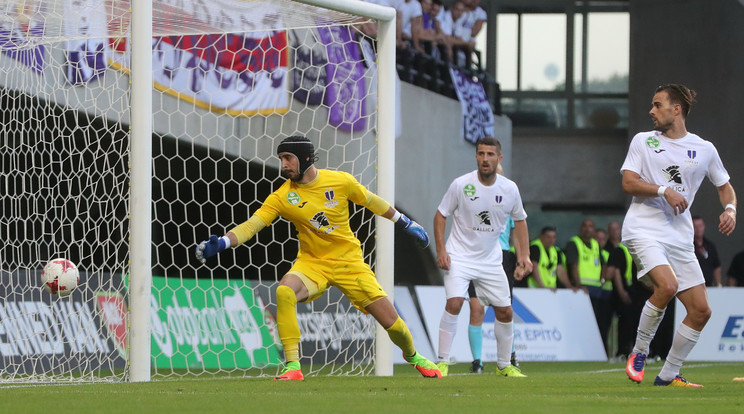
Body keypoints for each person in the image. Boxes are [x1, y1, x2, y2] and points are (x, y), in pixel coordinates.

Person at [195, 136, 442, 380]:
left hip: (349, 263)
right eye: (281, 159)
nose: (283, 165)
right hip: (312, 263)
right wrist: (223, 242)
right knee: (284, 291)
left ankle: (414, 357)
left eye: (288, 158)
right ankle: (293, 366)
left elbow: (370, 201)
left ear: (305, 158)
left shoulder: (340, 181)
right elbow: (252, 225)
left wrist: (404, 221)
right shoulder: (282, 197)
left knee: (392, 323)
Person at [622, 84, 736, 387]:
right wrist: (663, 189)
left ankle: (669, 374)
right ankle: (639, 352)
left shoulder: (704, 148)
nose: (651, 111)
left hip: (679, 237)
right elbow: (629, 183)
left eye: (658, 105)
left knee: (701, 310)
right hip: (643, 229)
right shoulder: (643, 141)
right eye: (652, 104)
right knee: (668, 285)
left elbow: (724, 185)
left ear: (677, 109)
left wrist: (730, 209)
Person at [433, 136, 532, 378]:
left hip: (490, 259)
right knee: (455, 303)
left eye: (490, 155)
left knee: (506, 312)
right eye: (480, 154)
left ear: (499, 159)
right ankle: (442, 362)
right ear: (476, 156)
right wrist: (441, 250)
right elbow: (440, 214)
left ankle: (503, 365)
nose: (484, 159)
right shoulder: (460, 184)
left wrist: (524, 256)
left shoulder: (509, 189)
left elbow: (520, 221)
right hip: (460, 256)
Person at [565, 219, 612, 355]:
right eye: (585, 226)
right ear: (581, 228)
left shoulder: (595, 244)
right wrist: (579, 285)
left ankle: (593, 352)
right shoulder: (574, 243)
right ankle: (578, 351)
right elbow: (573, 265)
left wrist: (602, 280)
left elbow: (603, 263)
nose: (588, 229)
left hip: (597, 290)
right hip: (583, 290)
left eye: (591, 226)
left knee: (597, 323)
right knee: (581, 323)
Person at [527, 226, 574, 290]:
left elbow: (560, 271)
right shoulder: (535, 248)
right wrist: (542, 286)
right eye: (548, 237)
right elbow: (534, 267)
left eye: (554, 237)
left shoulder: (556, 251)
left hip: (551, 289)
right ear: (541, 236)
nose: (551, 240)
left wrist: (569, 287)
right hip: (535, 289)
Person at [692, 215, 722, 287]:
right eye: (695, 226)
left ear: (704, 226)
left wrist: (718, 284)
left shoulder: (710, 246)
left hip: (709, 286)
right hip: (692, 285)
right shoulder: (688, 246)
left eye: (700, 226)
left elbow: (717, 266)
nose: (698, 229)